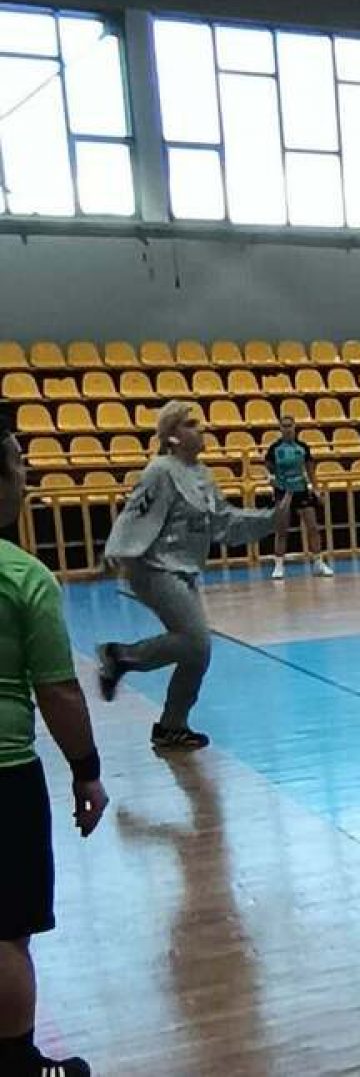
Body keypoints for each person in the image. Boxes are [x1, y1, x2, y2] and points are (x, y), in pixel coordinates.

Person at [0, 412, 108, 1077]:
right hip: (4, 772)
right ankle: (17, 1064)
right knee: (6, 926)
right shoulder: (23, 577)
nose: (27, 472)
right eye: (17, 462)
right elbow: (59, 692)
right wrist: (86, 771)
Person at [95, 401, 287, 751]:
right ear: (172, 436)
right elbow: (134, 514)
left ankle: (172, 726)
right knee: (196, 641)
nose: (201, 429)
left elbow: (224, 523)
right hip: (152, 567)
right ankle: (120, 656)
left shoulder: (202, 475)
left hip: (183, 570)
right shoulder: (160, 471)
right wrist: (115, 552)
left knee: (196, 652)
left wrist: (271, 519)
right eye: (191, 424)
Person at [264, 416, 333, 580]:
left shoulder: (303, 447)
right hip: (283, 491)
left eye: (290, 426)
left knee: (313, 526)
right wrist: (272, 481)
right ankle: (279, 565)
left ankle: (318, 563)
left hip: (301, 490)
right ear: (280, 429)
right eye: (284, 426)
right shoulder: (274, 449)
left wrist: (316, 489)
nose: (287, 429)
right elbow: (269, 470)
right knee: (282, 529)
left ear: (295, 427)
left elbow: (310, 470)